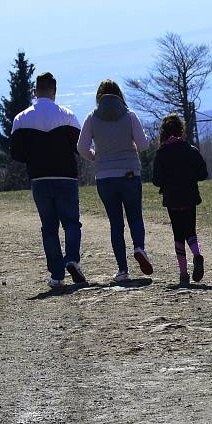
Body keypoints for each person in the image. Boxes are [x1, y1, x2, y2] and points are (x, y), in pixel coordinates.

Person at [10, 71, 86, 288]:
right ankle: (72, 259)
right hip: (66, 176)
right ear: (54, 91)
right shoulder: (68, 115)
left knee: (49, 227)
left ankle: (56, 275)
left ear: (35, 92)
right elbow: (79, 147)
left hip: (39, 177)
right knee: (71, 222)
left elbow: (16, 153)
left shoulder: (21, 118)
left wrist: (33, 157)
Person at [77, 80, 153, 282]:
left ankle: (122, 270)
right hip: (129, 173)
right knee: (135, 216)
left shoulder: (92, 118)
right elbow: (143, 144)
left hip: (105, 176)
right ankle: (139, 247)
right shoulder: (130, 116)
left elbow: (81, 147)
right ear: (120, 95)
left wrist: (96, 156)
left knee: (115, 224)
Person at [152, 113, 209, 286]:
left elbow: (157, 180)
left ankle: (183, 273)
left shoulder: (161, 153)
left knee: (178, 234)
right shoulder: (191, 150)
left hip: (172, 199)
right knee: (190, 231)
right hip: (190, 197)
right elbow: (203, 174)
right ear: (181, 129)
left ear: (164, 132)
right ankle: (197, 255)